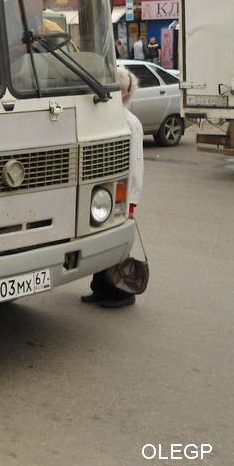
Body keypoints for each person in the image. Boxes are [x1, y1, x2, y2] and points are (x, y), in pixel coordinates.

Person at [81, 64, 144, 308]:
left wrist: (132, 202)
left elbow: (136, 166)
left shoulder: (131, 123)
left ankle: (122, 292)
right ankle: (100, 288)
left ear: (125, 93)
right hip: (103, 193)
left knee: (117, 245)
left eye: (114, 87)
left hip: (122, 193)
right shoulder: (107, 118)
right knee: (101, 239)